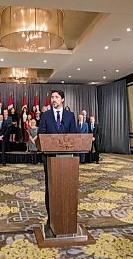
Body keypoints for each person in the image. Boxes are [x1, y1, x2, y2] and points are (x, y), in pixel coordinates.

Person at [38, 90, 78, 226]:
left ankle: (67, 217)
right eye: (52, 97)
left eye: (56, 97)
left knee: (67, 187)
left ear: (63, 99)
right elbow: (41, 135)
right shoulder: (45, 115)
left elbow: (74, 135)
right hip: (49, 159)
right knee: (51, 188)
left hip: (67, 159)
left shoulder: (70, 115)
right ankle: (51, 218)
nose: (53, 99)